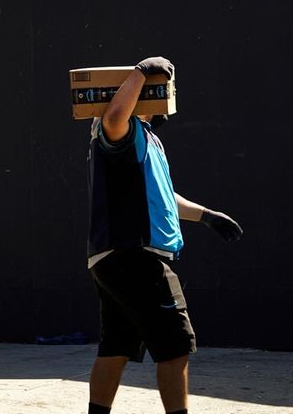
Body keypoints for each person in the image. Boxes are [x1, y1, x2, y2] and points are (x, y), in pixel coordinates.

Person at [85, 56, 243, 414]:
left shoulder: (146, 140)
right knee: (175, 344)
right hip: (136, 255)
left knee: (115, 348)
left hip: (114, 259)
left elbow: (162, 195)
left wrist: (207, 216)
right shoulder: (118, 132)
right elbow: (112, 117)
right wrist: (141, 73)